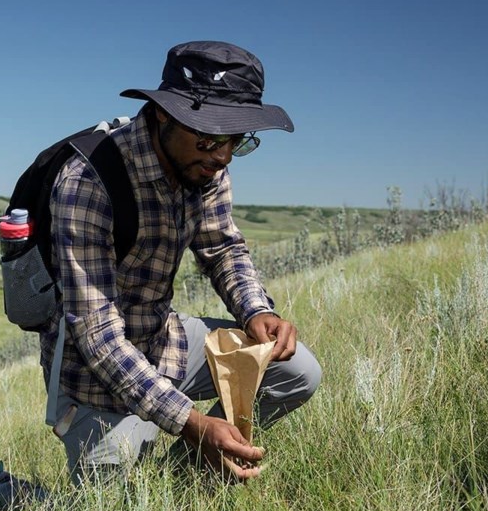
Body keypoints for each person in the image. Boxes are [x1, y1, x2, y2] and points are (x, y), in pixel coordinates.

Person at [41, 41, 322, 485]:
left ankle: (181, 481)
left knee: (297, 370)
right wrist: (193, 424)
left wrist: (257, 310)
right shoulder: (87, 182)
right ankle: (1, 491)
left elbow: (223, 248)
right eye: (210, 138)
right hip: (95, 376)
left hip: (164, 340)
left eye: (237, 141)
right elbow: (97, 335)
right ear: (163, 117)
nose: (223, 156)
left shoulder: (204, 165)